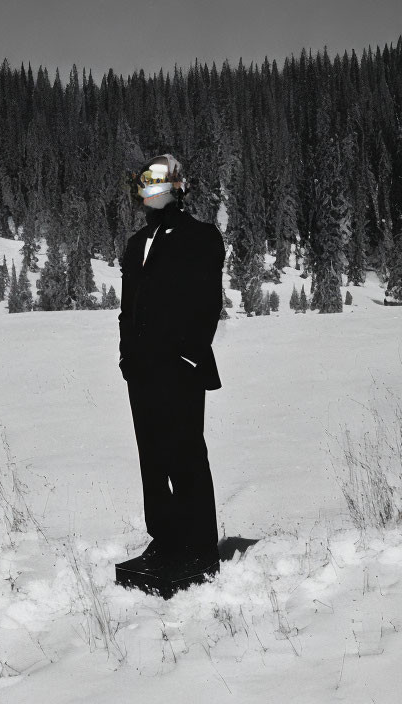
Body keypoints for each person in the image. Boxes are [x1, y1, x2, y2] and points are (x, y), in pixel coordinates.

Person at [116, 154, 226, 587]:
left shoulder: (201, 237)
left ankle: (199, 548)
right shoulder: (135, 242)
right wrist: (126, 356)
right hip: (141, 369)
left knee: (185, 455)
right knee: (152, 456)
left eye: (158, 182)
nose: (150, 191)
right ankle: (165, 537)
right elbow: (129, 309)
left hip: (179, 367)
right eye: (145, 183)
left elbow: (207, 304)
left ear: (178, 187)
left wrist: (189, 356)